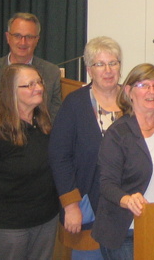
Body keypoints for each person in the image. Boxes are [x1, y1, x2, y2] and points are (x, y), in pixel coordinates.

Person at [0, 64, 59, 259]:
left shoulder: (44, 123)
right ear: (12, 91)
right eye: (29, 85)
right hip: (8, 225)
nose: (39, 88)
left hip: (46, 219)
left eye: (39, 82)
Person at [91, 63, 154, 260]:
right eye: (143, 85)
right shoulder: (118, 133)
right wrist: (127, 199)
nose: (152, 91)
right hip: (126, 231)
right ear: (128, 92)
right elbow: (106, 184)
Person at [49, 37, 123, 259]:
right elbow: (59, 156)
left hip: (126, 208)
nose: (108, 70)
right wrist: (71, 205)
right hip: (87, 205)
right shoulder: (75, 103)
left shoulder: (133, 100)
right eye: (100, 64)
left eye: (114, 63)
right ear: (89, 69)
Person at [0, 12, 62, 165]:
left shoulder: (51, 73)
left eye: (29, 37)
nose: (23, 42)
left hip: (37, 162)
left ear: (37, 40)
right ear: (7, 37)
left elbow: (55, 122)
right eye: (17, 35)